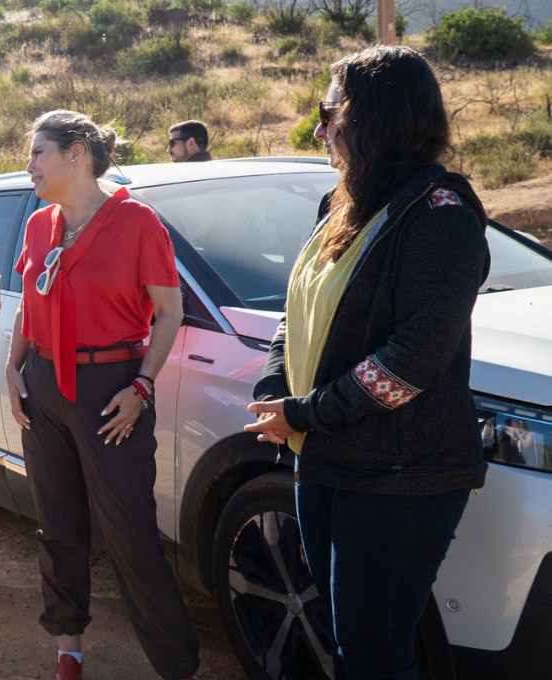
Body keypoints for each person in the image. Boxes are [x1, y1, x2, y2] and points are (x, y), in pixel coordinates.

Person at [246, 45, 490, 680]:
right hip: (325, 458)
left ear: (376, 118)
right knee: (350, 642)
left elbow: (411, 361)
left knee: (375, 653)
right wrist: (277, 385)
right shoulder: (341, 206)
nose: (320, 130)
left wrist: (303, 411)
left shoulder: (441, 214)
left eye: (331, 113)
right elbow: (294, 312)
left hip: (399, 475)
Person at [7, 109, 201, 680]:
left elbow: (169, 313)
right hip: (44, 386)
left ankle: (177, 665)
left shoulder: (138, 222)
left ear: (76, 155)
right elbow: (28, 301)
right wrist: (14, 369)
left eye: (38, 151)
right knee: (57, 525)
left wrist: (142, 386)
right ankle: (68, 648)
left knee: (130, 536)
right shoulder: (39, 224)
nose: (30, 163)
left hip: (111, 392)